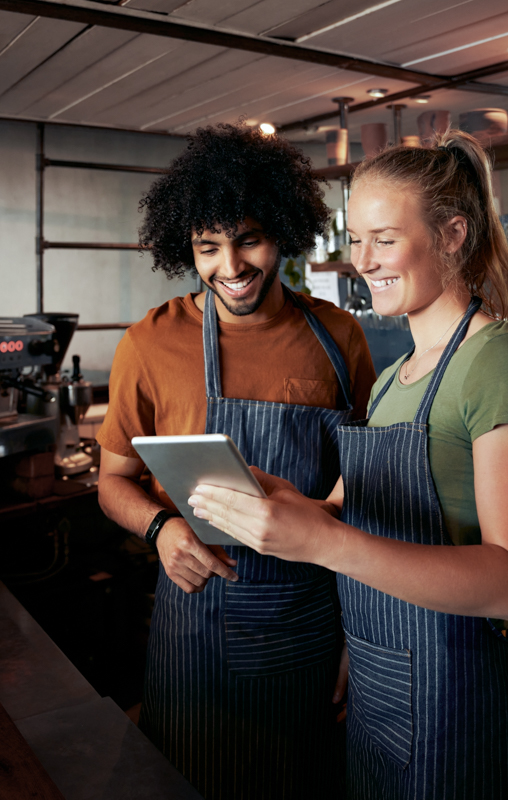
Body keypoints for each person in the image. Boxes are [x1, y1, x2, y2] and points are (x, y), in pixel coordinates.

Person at [188, 130, 508, 800]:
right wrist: (282, 500)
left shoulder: (502, 362)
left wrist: (326, 541)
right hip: (375, 691)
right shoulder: (394, 377)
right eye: (355, 238)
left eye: (384, 238)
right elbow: (342, 512)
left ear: (452, 234)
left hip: (463, 704)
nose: (362, 260)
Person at [96, 123, 376, 800]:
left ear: (281, 229)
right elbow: (113, 480)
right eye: (207, 247)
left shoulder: (338, 338)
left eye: (247, 238)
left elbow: (364, 489)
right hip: (196, 632)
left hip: (311, 626)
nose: (231, 265)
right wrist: (162, 531)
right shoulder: (149, 343)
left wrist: (354, 644)